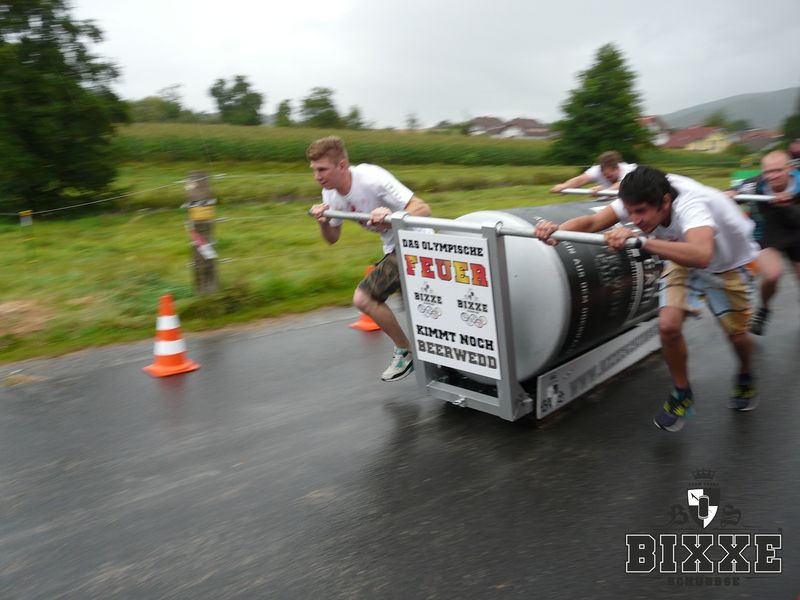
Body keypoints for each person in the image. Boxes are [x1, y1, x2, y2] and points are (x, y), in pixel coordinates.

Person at [535, 166, 760, 432]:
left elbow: (701, 255)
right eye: (629, 212)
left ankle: (745, 374)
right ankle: (682, 393)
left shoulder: (692, 204)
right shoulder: (639, 196)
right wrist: (556, 232)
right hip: (681, 256)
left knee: (737, 337)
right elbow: (593, 223)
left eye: (640, 212)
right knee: (668, 325)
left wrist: (641, 240)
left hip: (727, 265)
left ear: (665, 202)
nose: (635, 219)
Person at [307, 136, 431, 382]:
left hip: (416, 242)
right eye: (314, 170)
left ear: (342, 165)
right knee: (423, 309)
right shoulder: (330, 193)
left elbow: (423, 208)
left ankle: (406, 353)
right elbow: (332, 238)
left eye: (322, 170)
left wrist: (392, 215)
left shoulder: (372, 178)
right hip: (393, 247)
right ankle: (439, 359)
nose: (316, 176)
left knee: (364, 298)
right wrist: (323, 222)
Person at [727, 150, 800, 335]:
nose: (772, 176)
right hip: (768, 236)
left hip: (797, 233)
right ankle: (765, 308)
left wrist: (788, 206)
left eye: (778, 170)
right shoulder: (753, 185)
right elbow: (732, 195)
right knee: (772, 275)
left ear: (790, 169)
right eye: (768, 172)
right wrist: (730, 195)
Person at [550, 151, 638, 195]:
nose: (607, 178)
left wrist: (605, 190)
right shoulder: (597, 170)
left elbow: (622, 184)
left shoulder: (629, 170)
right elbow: (581, 179)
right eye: (605, 176)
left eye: (610, 176)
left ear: (617, 168)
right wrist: (565, 185)